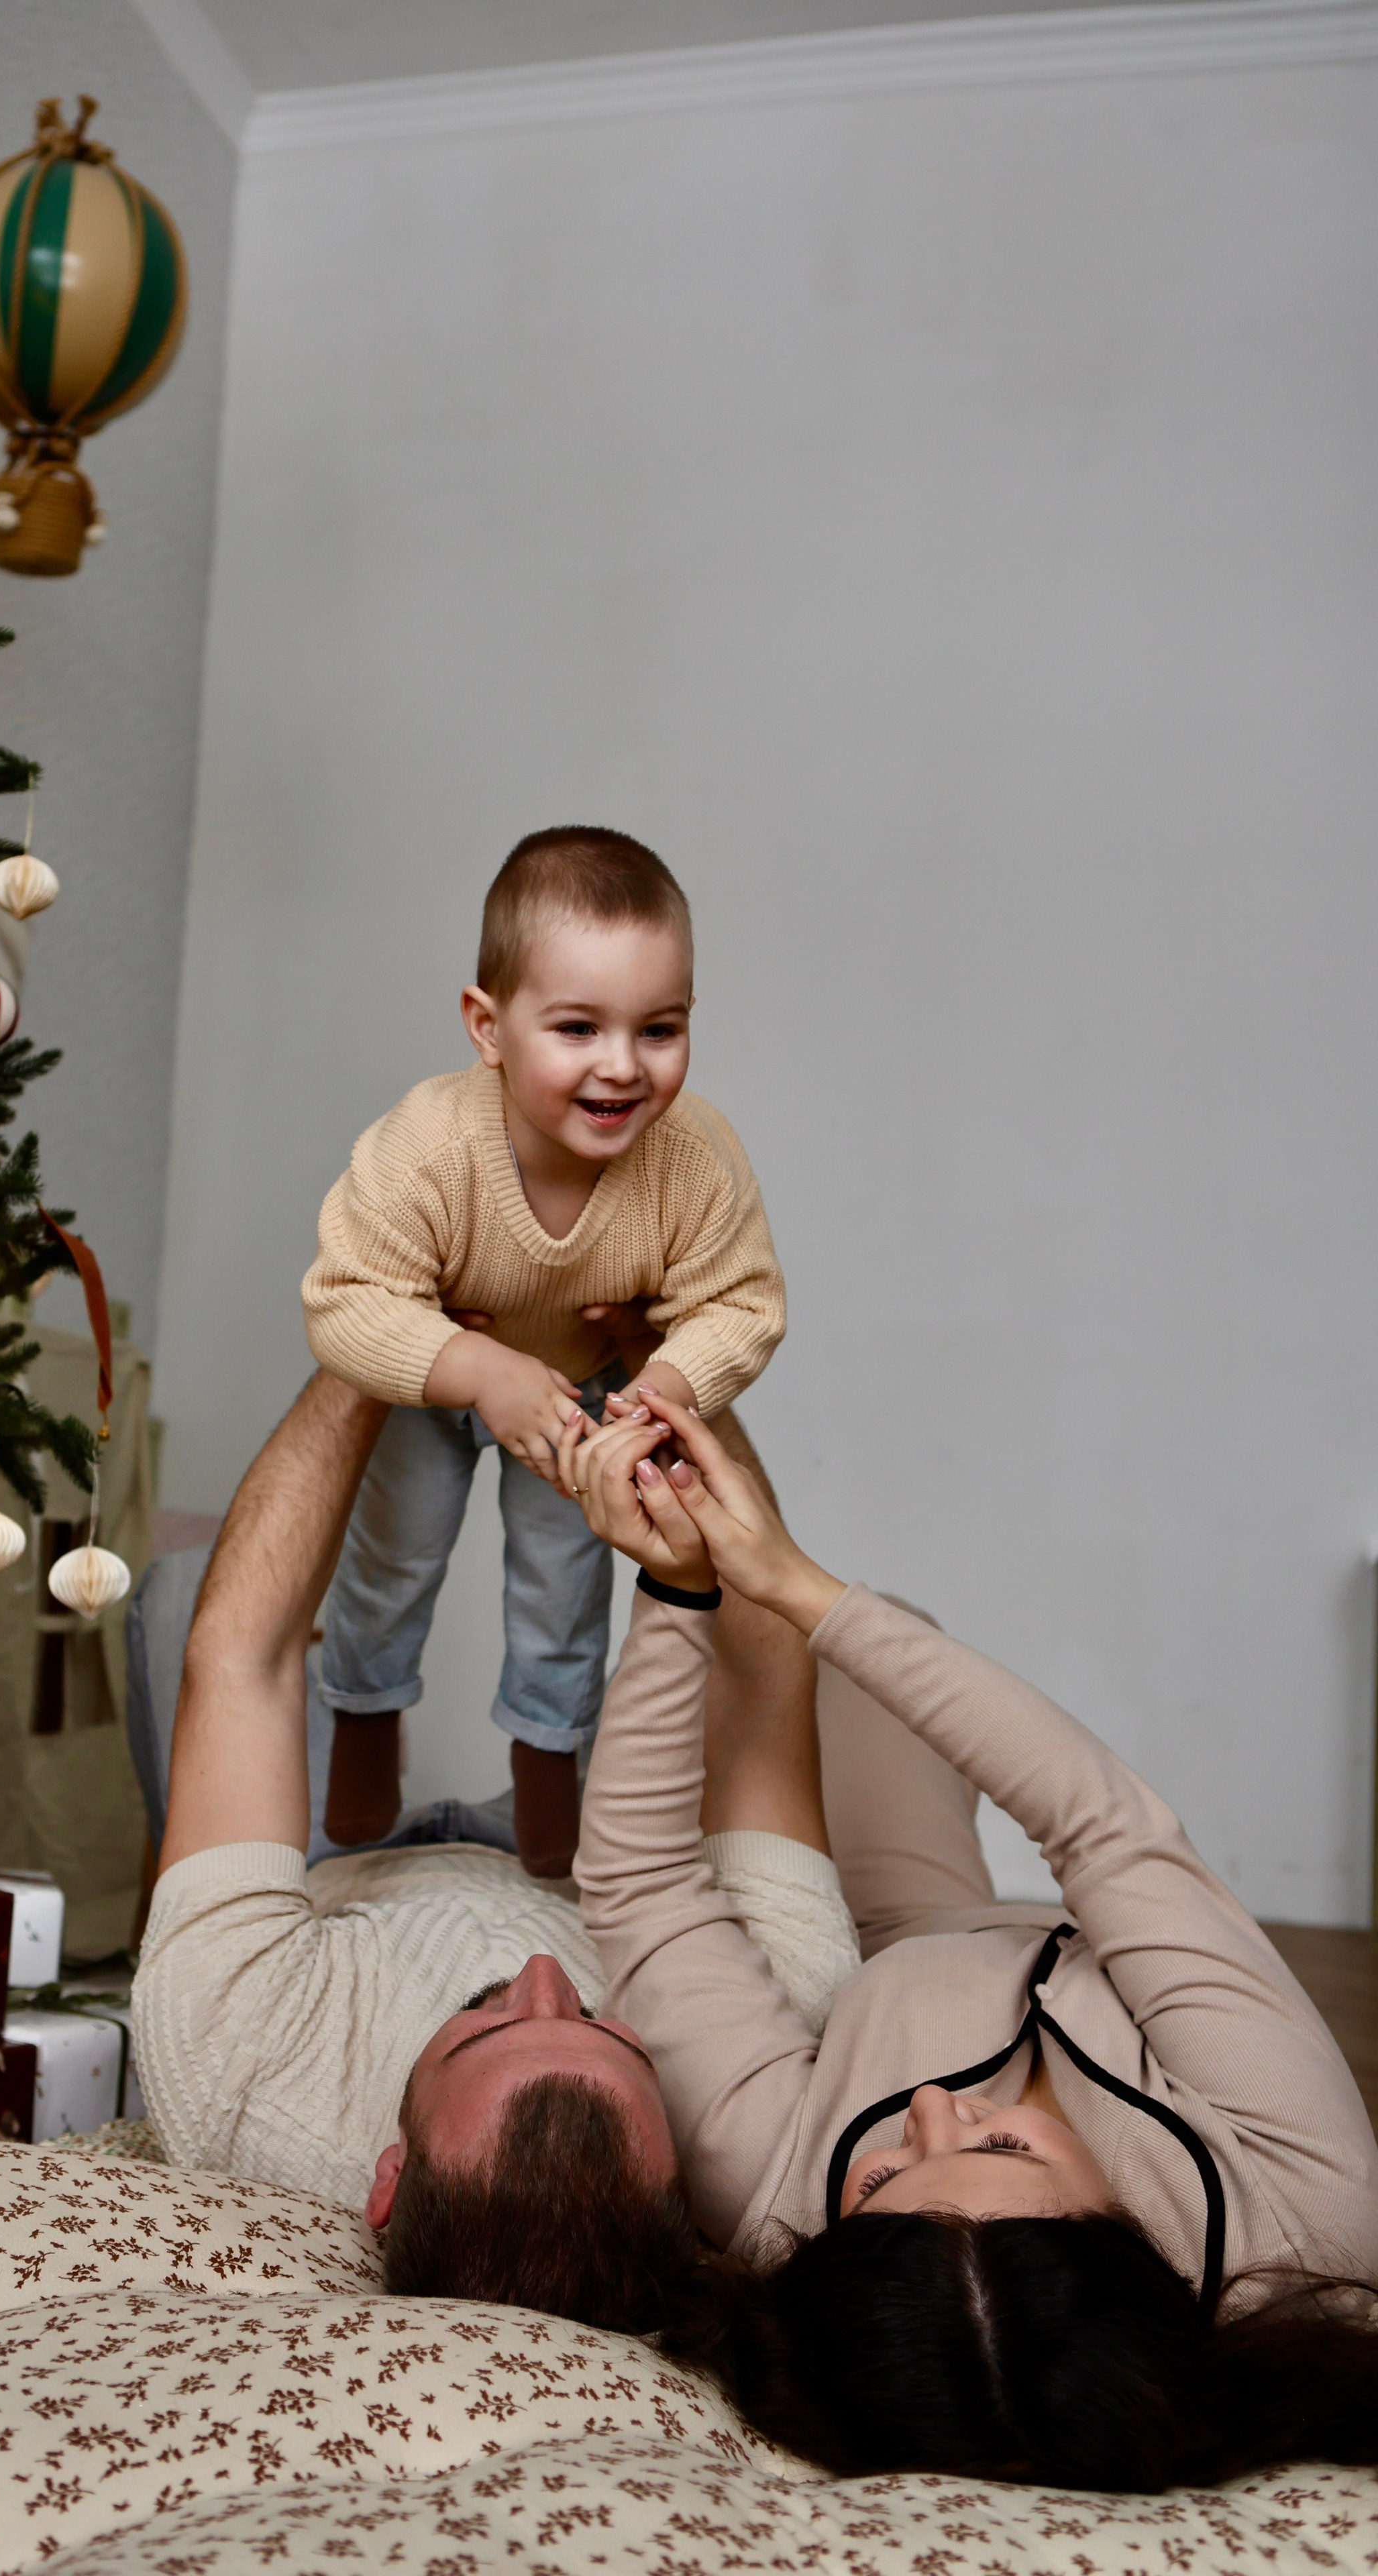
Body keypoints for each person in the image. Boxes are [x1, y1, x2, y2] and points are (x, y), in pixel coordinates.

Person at [560, 1389, 1378, 2490]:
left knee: (790, 1649)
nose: (931, 2114)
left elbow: (641, 1883)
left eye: (885, 2174)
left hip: (891, 1951)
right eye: (1003, 2150)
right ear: (1138, 2244)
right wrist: (803, 1586)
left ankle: (648, 1382)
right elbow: (1104, 1832)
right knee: (872, 1624)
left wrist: (673, 1588)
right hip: (1037, 1926)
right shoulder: (1309, 2218)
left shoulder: (776, 2201)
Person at [129, 1367, 860, 2328]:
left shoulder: (247, 2079)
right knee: (840, 1648)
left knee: (189, 1590)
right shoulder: (773, 2058)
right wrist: (671, 1377)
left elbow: (242, 1659)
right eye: (609, 2032)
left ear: (386, 2178)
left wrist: (383, 1345)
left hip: (326, 1888)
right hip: (585, 1861)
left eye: (491, 2024)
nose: (546, 1970)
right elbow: (766, 1688)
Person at [301, 826, 785, 1876]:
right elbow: (344, 1301)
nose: (622, 1066)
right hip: (437, 1372)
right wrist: (476, 1371)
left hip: (592, 1384)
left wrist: (660, 1383)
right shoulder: (428, 1144)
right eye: (578, 1028)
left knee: (564, 1582)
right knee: (393, 1556)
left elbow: (740, 1304)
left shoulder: (692, 1157)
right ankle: (366, 1717)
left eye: (660, 1029)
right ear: (489, 1027)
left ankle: (546, 1766)